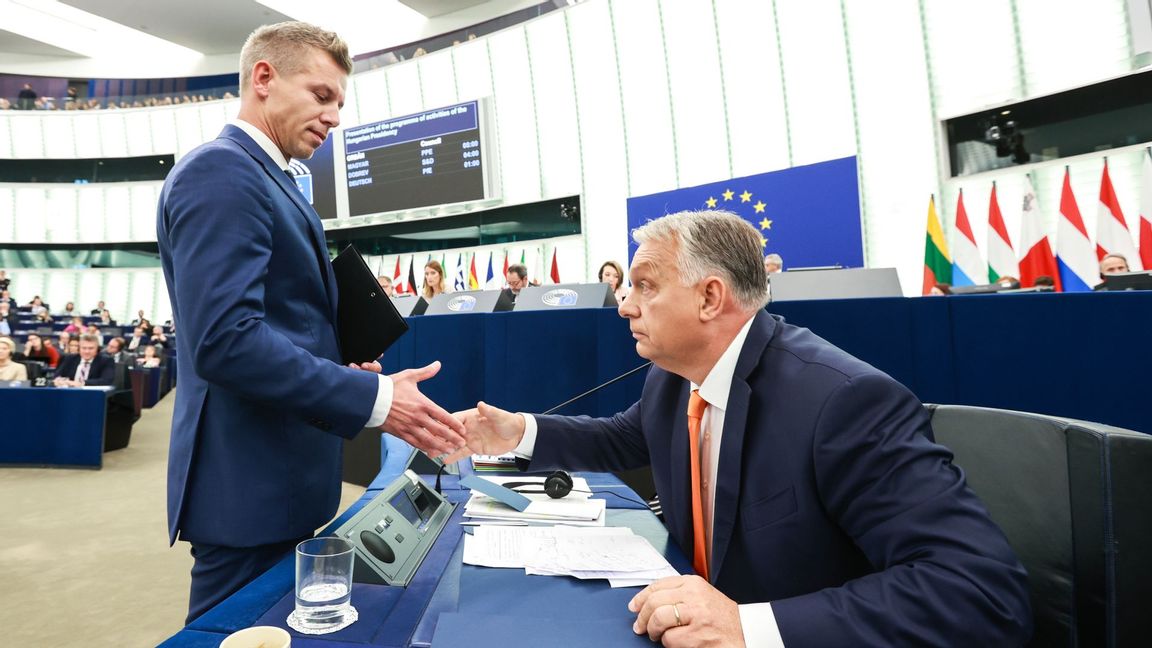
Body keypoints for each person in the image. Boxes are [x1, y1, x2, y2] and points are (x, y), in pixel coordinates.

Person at [448, 210, 1031, 646]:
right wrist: (519, 432)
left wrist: (748, 625)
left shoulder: (844, 402)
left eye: (645, 286)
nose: (625, 304)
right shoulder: (675, 380)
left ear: (710, 297)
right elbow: (623, 437)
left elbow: (980, 592)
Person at [156, 21, 466, 623]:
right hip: (248, 488)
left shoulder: (270, 178)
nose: (334, 117)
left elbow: (275, 322)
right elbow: (225, 342)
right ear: (264, 79)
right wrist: (374, 398)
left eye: (340, 103)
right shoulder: (223, 171)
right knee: (233, 635)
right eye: (322, 96)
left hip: (281, 478)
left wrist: (336, 364)